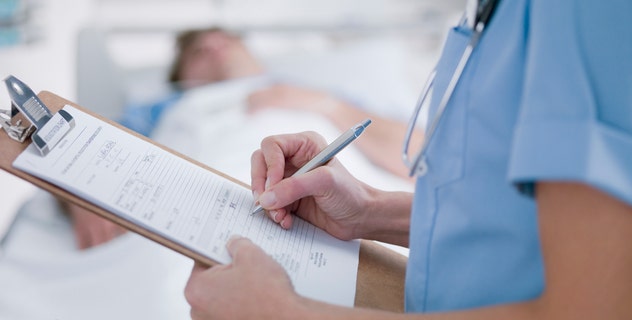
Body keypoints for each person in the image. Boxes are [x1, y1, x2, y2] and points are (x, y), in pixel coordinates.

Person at [184, 0, 632, 319]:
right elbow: (518, 220)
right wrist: (370, 210)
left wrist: (284, 315)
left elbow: (599, 309)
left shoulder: (586, 11)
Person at [67, 27, 420, 249]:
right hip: (188, 210)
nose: (216, 48)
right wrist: (78, 191)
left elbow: (420, 157)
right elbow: (90, 144)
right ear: (183, 75)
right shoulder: (165, 106)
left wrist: (327, 105)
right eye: (199, 52)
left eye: (226, 40)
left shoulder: (317, 93)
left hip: (337, 212)